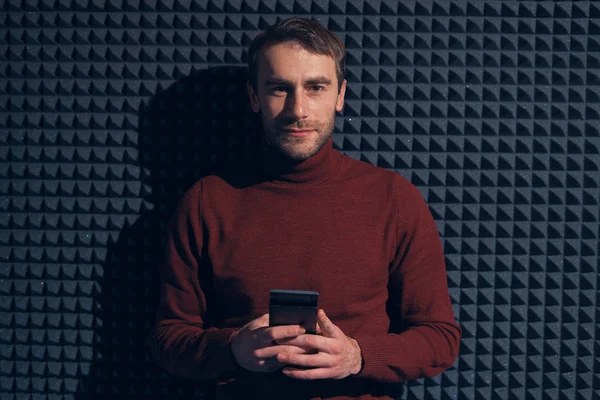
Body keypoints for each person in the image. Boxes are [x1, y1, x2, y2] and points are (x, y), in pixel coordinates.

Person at [148, 17, 461, 400]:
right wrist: (231, 349)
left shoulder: (393, 198)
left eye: (316, 87)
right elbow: (169, 339)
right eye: (280, 88)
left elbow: (440, 339)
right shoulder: (206, 202)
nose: (299, 109)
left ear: (340, 95)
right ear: (253, 97)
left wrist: (358, 356)